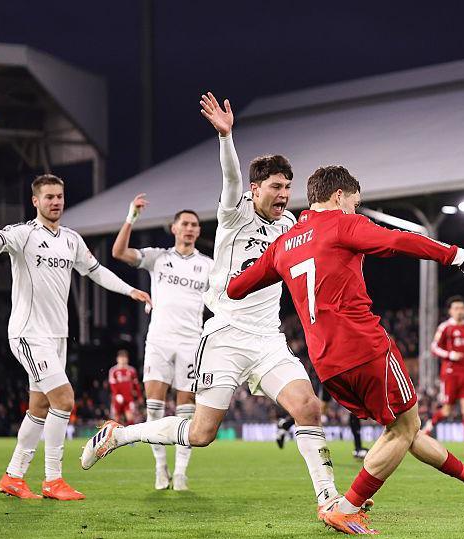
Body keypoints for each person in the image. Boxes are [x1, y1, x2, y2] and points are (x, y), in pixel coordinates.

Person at [82, 93, 339, 514]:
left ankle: (329, 499)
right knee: (202, 433)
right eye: (276, 186)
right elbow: (232, 178)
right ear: (257, 188)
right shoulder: (235, 213)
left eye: (288, 187)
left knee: (308, 406)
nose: (283, 194)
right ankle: (120, 436)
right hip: (225, 336)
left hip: (268, 340)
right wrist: (226, 138)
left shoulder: (290, 224)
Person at [226, 165, 464, 534]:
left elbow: (236, 288)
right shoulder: (341, 223)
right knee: (402, 428)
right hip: (364, 346)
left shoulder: (283, 244)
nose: (356, 208)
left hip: (325, 362)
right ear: (339, 196)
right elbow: (399, 241)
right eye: (355, 201)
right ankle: (346, 507)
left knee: (404, 427)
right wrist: (457, 256)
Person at [0, 174, 151, 500]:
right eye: (49, 197)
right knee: (64, 400)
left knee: (40, 406)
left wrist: (130, 289)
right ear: (36, 201)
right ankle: (53, 479)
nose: (56, 201)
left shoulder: (71, 240)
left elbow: (96, 271)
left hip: (57, 335)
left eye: (59, 196)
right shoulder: (24, 234)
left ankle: (14, 476)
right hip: (29, 333)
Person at [111, 197, 213, 490]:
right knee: (154, 407)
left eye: (195, 225)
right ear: (174, 228)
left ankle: (181, 471)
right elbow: (118, 252)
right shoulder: (158, 258)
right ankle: (160, 467)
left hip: (191, 343)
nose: (190, 229)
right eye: (185, 224)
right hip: (159, 340)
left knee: (187, 411)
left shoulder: (207, 266)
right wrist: (131, 215)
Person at [423, 296, 464, 456]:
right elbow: (434, 348)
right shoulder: (445, 327)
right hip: (450, 374)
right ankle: (428, 428)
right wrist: (450, 355)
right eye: (456, 308)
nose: (459, 311)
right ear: (450, 311)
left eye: (461, 308)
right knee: (447, 411)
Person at [108, 350, 141, 425]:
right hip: (117, 398)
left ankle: (130, 435)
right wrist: (117, 395)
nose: (122, 360)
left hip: (129, 398)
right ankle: (115, 435)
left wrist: (139, 396)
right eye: (121, 358)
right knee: (116, 418)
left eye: (124, 358)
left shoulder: (131, 370)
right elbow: (112, 384)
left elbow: (136, 384)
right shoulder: (113, 371)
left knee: (130, 417)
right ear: (117, 359)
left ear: (127, 359)